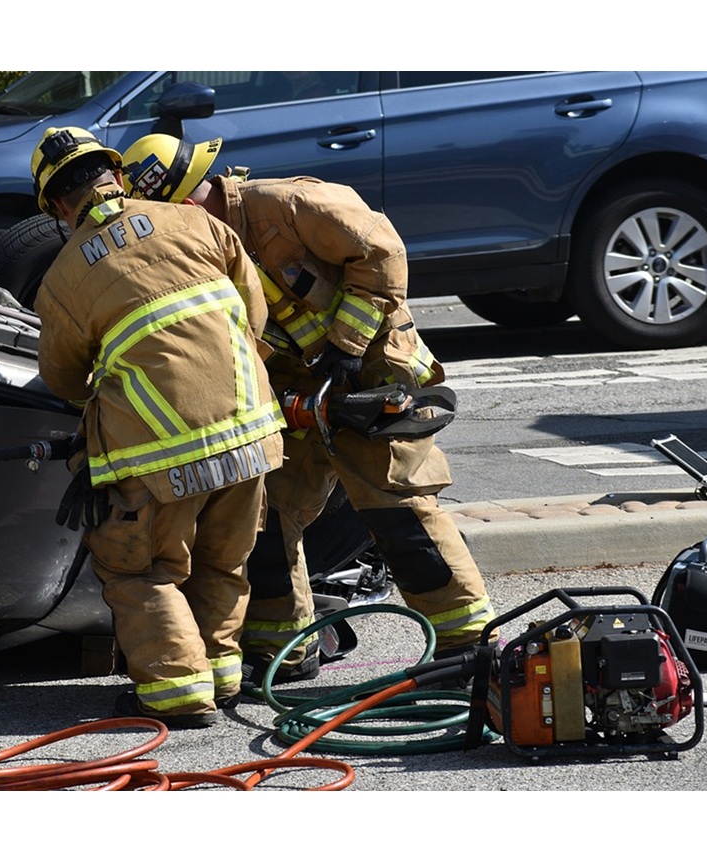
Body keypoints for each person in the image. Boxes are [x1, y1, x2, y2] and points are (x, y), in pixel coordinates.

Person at [120, 134, 498, 687]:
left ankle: (467, 646)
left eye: (185, 204)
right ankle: (285, 648)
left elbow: (382, 251)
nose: (182, 219)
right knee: (266, 512)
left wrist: (346, 348)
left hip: (370, 370)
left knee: (394, 506)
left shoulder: (285, 205)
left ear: (198, 191)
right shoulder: (199, 249)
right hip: (300, 393)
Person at [31, 127, 286, 728]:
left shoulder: (63, 277)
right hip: (252, 434)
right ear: (114, 176)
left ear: (59, 208)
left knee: (141, 569)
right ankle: (223, 678)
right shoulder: (194, 222)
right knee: (224, 562)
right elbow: (256, 314)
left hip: (157, 456)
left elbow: (64, 379)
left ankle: (178, 693)